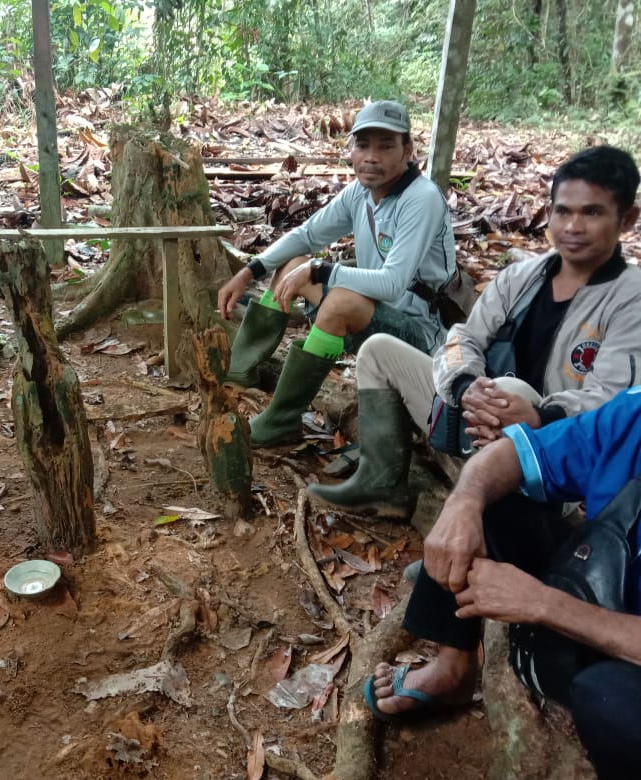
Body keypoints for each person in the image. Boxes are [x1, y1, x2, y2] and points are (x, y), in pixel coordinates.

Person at [309, 145, 641, 518]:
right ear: (549, 213)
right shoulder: (522, 276)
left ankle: (485, 531)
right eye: (563, 211)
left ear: (627, 219)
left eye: (592, 212)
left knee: (509, 393)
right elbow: (462, 338)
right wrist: (468, 386)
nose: (573, 227)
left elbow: (616, 402)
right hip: (480, 419)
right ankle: (382, 483)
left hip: (555, 455)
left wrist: (540, 419)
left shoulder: (632, 297)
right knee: (379, 351)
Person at [365, 386, 641, 779]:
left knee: (610, 702)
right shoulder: (634, 414)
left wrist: (542, 603)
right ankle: (453, 670)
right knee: (491, 500)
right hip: (608, 579)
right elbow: (519, 453)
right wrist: (465, 501)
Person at [217, 100, 456, 448]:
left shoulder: (422, 199)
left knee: (337, 298)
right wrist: (250, 271)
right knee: (291, 263)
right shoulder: (361, 193)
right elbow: (307, 235)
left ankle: (282, 420)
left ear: (408, 151)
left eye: (385, 146)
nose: (371, 156)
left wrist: (321, 269)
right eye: (363, 145)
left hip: (419, 337)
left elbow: (392, 284)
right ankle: (240, 368)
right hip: (376, 313)